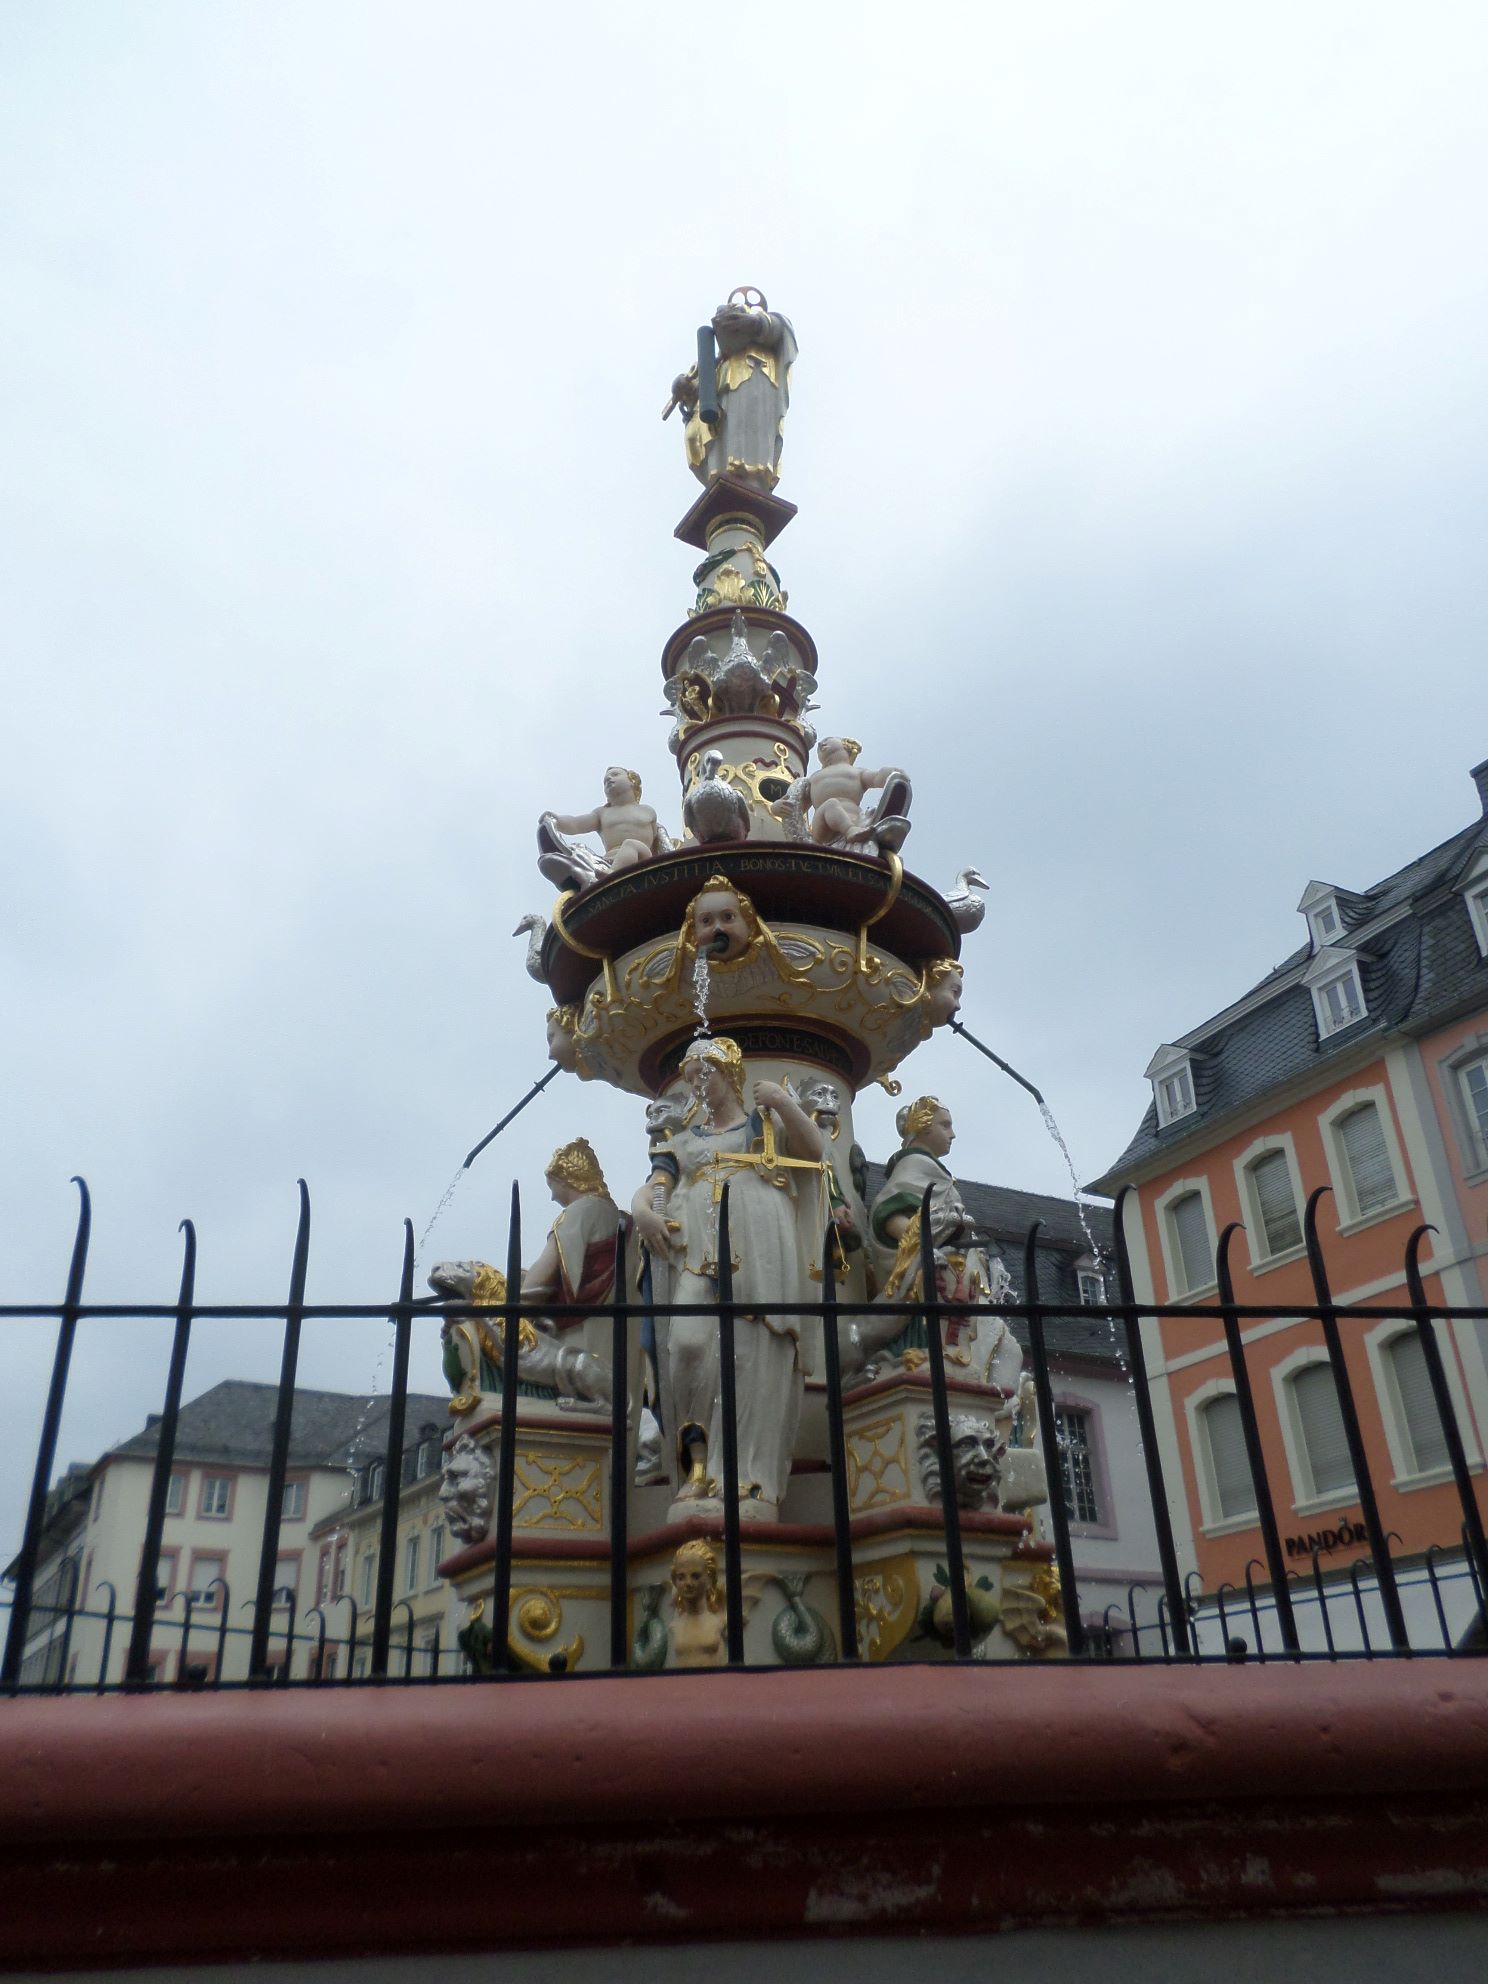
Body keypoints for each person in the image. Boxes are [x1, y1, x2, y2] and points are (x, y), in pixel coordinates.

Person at [630, 1036, 827, 1517]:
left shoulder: (762, 1124)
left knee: (749, 1355)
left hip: (758, 1249)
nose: (699, 1083)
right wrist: (643, 1212)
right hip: (696, 1251)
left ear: (730, 1075)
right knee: (688, 1348)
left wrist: (782, 1101)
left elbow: (816, 1153)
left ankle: (744, 1475)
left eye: (707, 1073)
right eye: (692, 1075)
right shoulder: (684, 1141)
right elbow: (657, 1184)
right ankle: (697, 1464)